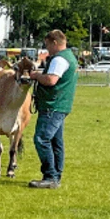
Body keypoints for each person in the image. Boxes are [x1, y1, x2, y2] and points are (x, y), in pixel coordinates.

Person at [27, 30, 77, 189]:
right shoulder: (69, 57)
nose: (46, 48)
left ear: (55, 43)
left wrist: (35, 76)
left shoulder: (59, 59)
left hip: (52, 106)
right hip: (60, 105)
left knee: (42, 139)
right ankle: (56, 175)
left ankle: (50, 176)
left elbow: (50, 80)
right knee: (56, 141)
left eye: (47, 44)